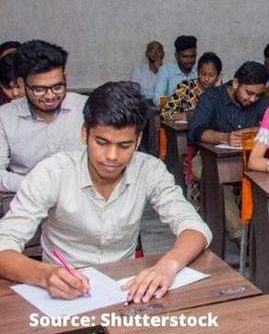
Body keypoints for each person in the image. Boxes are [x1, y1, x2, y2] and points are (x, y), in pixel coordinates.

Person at [0, 81, 211, 302]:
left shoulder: (149, 170)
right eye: (101, 142)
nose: (111, 156)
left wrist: (168, 265)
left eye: (124, 146)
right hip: (63, 292)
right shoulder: (52, 172)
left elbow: (195, 228)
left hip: (125, 289)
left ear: (138, 140)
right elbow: (4, 243)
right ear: (85, 134)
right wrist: (45, 275)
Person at [188, 61, 269, 243]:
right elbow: (195, 132)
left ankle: (264, 237)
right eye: (248, 93)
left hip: (249, 161)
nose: (253, 99)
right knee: (220, 178)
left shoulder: (262, 100)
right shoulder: (212, 97)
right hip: (208, 160)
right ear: (235, 83)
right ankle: (240, 237)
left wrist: (254, 132)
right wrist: (225, 137)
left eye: (257, 95)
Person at [0, 40, 87, 192]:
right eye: (39, 90)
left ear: (65, 77)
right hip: (27, 197)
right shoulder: (4, 118)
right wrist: (39, 185)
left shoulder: (86, 108)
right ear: (21, 84)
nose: (50, 96)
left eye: (58, 87)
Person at [161, 52, 223, 122]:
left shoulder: (220, 92)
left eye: (211, 75)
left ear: (218, 76)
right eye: (203, 74)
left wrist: (218, 91)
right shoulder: (185, 88)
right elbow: (165, 114)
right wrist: (186, 116)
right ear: (198, 72)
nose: (206, 79)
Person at [153, 35, 198, 104]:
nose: (189, 60)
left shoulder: (200, 70)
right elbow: (157, 100)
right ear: (176, 56)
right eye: (184, 57)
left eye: (192, 56)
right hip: (172, 109)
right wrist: (178, 102)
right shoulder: (166, 71)